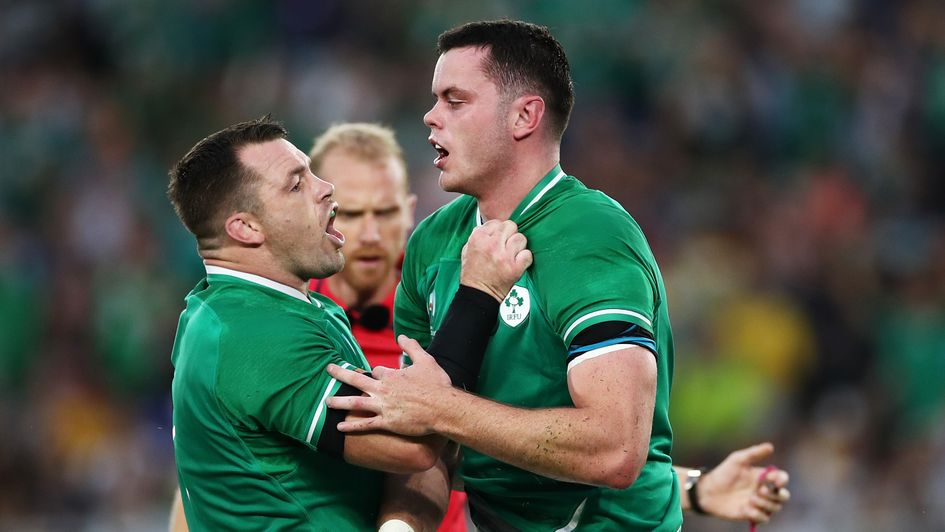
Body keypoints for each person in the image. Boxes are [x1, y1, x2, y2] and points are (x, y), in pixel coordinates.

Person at [325, 21, 788, 531]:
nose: (430, 117)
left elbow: (615, 450)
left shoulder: (591, 237)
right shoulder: (431, 244)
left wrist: (440, 408)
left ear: (524, 116)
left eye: (455, 101)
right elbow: (429, 448)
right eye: (435, 99)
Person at [166, 116, 531, 530]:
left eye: (312, 174)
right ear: (246, 228)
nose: (326, 189)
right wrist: (479, 294)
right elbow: (417, 442)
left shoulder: (230, 309)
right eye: (296, 184)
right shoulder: (254, 335)